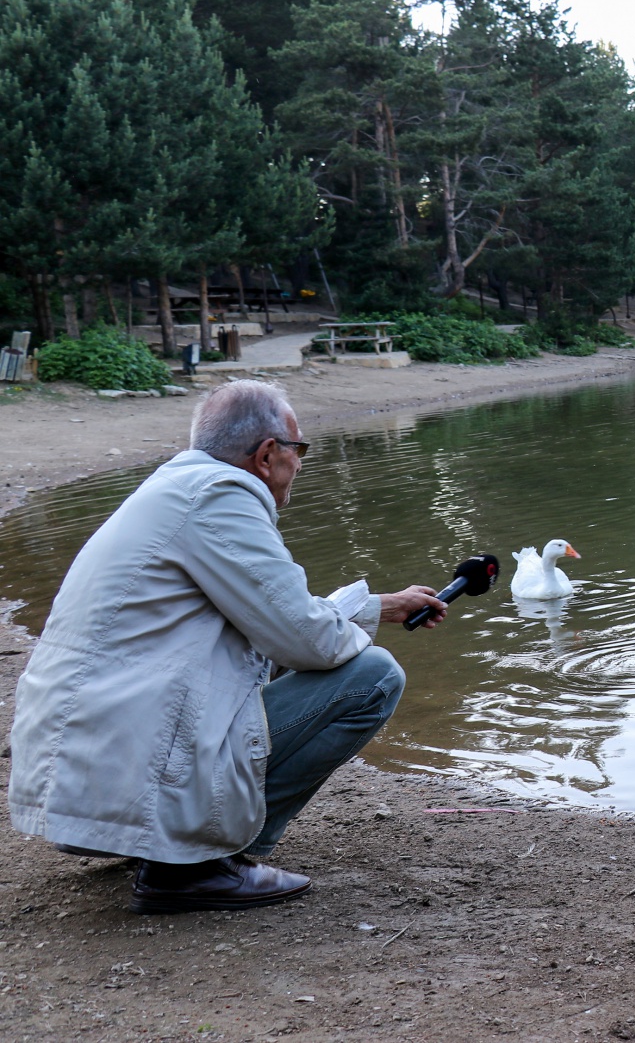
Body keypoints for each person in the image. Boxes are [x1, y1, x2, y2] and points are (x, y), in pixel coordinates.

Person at [8, 381, 449, 914]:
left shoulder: (174, 488)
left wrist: (373, 606)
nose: (301, 464)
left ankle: (170, 844)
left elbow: (269, 615)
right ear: (267, 455)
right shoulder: (222, 496)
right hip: (124, 782)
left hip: (87, 786)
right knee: (374, 675)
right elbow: (306, 639)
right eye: (299, 449)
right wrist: (351, 622)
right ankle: (201, 864)